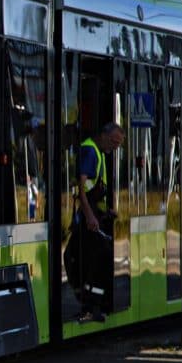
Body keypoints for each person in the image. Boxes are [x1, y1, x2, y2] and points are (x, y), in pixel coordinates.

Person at [64, 122, 124, 323]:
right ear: (104, 136)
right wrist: (90, 216)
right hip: (87, 215)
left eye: (119, 144)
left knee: (91, 257)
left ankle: (90, 306)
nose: (115, 147)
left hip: (92, 213)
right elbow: (81, 188)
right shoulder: (91, 151)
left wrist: (106, 211)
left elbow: (92, 187)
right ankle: (90, 306)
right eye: (114, 142)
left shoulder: (97, 152)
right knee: (102, 256)